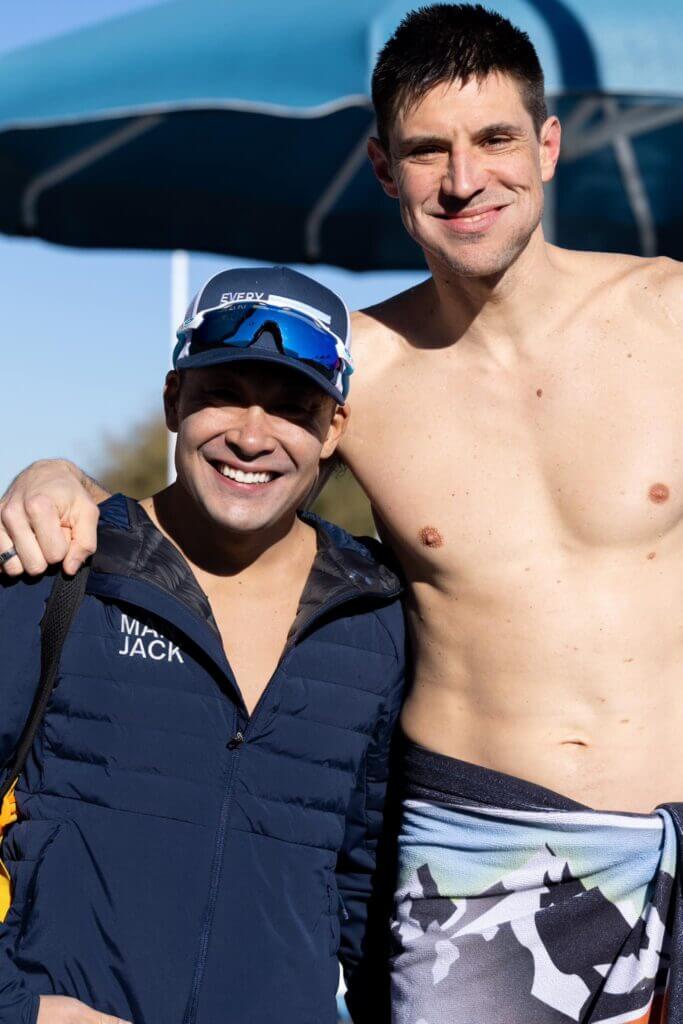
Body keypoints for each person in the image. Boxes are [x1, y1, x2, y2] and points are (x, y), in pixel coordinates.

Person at [3, 3, 683, 1021]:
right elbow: (219, 481)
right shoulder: (357, 368)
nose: (463, 179)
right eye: (426, 150)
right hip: (491, 854)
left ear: (547, 145)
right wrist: (56, 479)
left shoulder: (669, 315)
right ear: (382, 167)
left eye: (494, 138)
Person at [0, 266, 406, 1024]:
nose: (252, 436)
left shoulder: (374, 613)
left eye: (292, 407)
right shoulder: (61, 569)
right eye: (223, 393)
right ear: (173, 400)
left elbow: (368, 887)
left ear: (333, 429)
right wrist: (20, 1008)